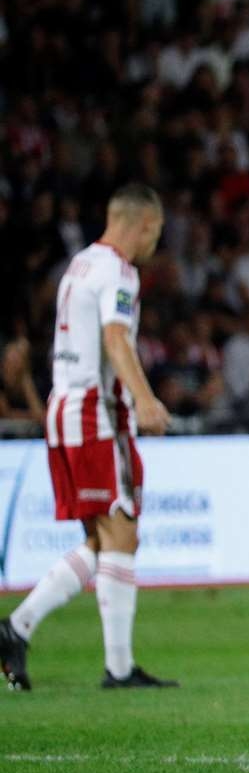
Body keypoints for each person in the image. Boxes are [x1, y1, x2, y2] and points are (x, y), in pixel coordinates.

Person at [0, 184, 176, 691]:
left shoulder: (79, 265)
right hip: (94, 412)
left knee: (103, 540)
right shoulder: (119, 271)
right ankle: (117, 668)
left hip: (65, 409)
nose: (154, 243)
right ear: (143, 223)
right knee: (121, 532)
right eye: (156, 232)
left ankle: (18, 627)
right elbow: (115, 338)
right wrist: (144, 399)